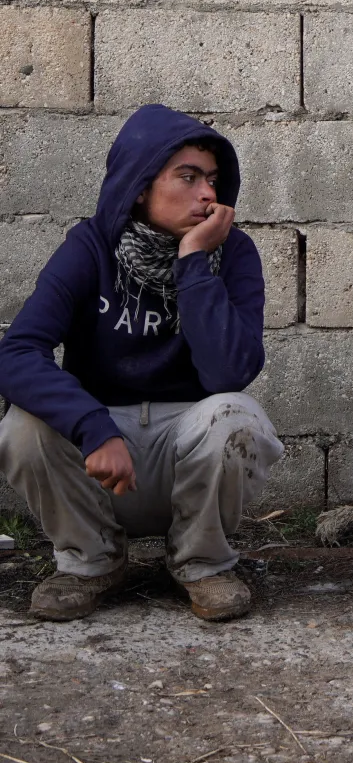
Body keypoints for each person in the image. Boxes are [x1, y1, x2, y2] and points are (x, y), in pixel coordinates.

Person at [0, 105, 280, 623]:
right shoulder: (90, 248)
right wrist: (91, 426)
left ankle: (201, 564)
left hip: (186, 456)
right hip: (103, 463)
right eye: (188, 177)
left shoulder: (233, 253)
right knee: (22, 426)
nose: (207, 194)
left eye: (213, 180)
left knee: (237, 416)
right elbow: (16, 353)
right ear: (139, 186)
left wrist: (193, 262)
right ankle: (91, 562)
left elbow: (229, 373)